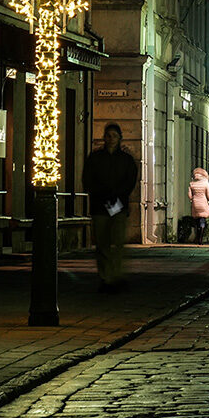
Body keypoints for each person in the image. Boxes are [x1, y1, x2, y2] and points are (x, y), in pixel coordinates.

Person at [83, 123, 138, 292]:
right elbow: (87, 179)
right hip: (100, 204)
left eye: (114, 135)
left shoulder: (126, 160)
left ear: (120, 138)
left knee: (118, 241)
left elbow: (130, 180)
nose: (111, 139)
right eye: (108, 135)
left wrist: (118, 194)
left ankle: (115, 274)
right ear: (104, 138)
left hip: (118, 204)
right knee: (102, 243)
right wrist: (100, 192)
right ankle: (105, 277)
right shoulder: (96, 158)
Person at [188, 167, 209, 245]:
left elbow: (189, 195)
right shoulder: (205, 183)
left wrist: (192, 199)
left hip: (195, 204)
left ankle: (197, 236)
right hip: (203, 203)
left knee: (196, 221)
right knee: (202, 220)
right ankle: (200, 238)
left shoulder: (192, 183)